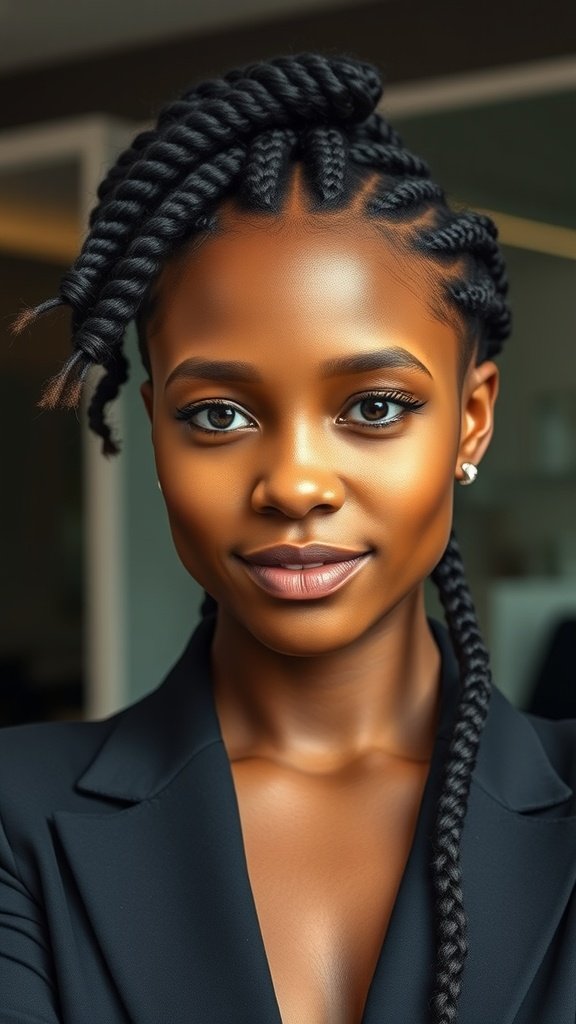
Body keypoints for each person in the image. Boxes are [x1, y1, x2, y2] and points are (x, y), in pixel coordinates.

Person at [1, 51, 575, 1024]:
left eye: (376, 406)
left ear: (472, 420)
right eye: (218, 415)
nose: (295, 484)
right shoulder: (16, 816)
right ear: (153, 429)